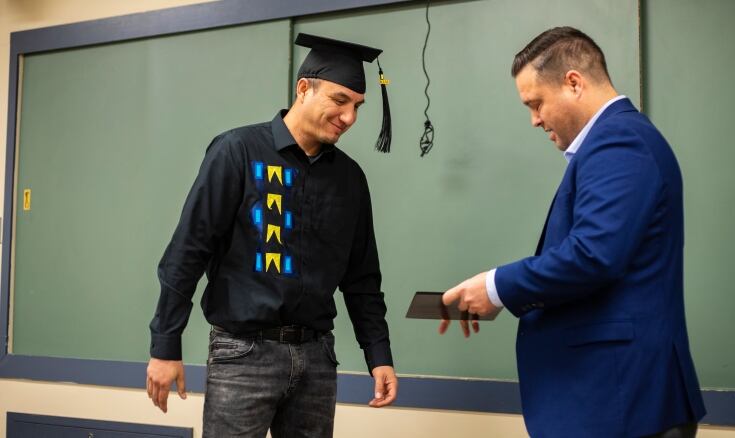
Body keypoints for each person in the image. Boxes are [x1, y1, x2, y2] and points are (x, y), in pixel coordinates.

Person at [441, 27, 706, 437]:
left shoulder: (619, 141)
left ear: (574, 83)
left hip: (622, 400)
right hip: (615, 399)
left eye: (536, 103)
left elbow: (592, 256)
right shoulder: (620, 140)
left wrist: (495, 287)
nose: (534, 120)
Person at [146, 33, 398, 437]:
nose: (349, 117)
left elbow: (362, 277)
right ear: (304, 88)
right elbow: (188, 250)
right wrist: (164, 344)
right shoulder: (238, 151)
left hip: (317, 360)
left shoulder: (350, 179)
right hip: (243, 355)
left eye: (357, 106)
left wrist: (378, 353)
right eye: (339, 100)